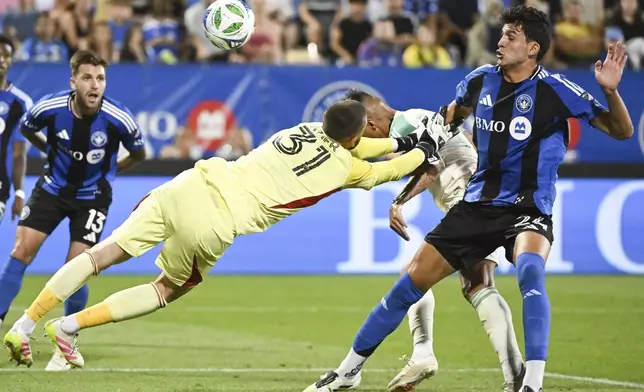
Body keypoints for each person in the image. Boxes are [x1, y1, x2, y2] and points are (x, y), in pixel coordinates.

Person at [304, 5, 633, 392]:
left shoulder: (556, 90)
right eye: (502, 34)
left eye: (510, 36)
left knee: (529, 270)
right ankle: (348, 371)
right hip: (477, 205)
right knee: (408, 284)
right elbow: (448, 122)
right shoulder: (479, 81)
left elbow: (621, 131)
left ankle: (532, 384)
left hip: (529, 207)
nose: (500, 41)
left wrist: (609, 91)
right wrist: (421, 147)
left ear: (532, 48)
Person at [3, 99, 459, 370]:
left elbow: (373, 144)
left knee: (103, 254)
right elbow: (393, 167)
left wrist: (405, 141)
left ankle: (24, 325)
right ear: (356, 135)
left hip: (190, 182)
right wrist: (424, 147)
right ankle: (69, 326)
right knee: (167, 288)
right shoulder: (349, 168)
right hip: (216, 221)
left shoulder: (298, 130)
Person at [345, 89, 524, 392]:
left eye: (362, 135)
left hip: (470, 204)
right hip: (487, 199)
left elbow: (433, 166)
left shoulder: (406, 126)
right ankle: (429, 356)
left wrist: (398, 202)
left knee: (437, 281)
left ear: (372, 126)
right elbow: (459, 144)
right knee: (463, 282)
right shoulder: (417, 119)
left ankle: (508, 374)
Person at [0, 50, 147, 371]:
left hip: (92, 198)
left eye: (100, 78)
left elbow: (139, 153)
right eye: (87, 77)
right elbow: (27, 128)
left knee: (78, 265)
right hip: (51, 190)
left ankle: (65, 343)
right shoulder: (49, 108)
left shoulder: (118, 118)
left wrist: (112, 170)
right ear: (73, 82)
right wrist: (51, 149)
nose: (95, 85)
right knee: (20, 252)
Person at [0, 34, 31, 227]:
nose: (2, 59)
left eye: (6, 55)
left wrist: (19, 193)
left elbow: (19, 153)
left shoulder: (21, 103)